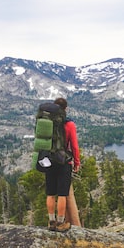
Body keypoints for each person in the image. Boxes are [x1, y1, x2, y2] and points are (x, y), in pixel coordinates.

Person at [46, 97, 80, 232]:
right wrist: (77, 162)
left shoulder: (47, 122)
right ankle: (60, 223)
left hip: (49, 160)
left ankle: (51, 222)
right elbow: (75, 146)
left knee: (50, 193)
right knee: (62, 194)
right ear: (65, 109)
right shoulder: (69, 124)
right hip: (63, 161)